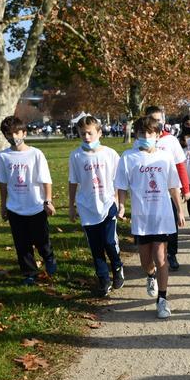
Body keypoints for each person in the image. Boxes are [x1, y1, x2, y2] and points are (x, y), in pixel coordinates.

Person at [116, 115, 186, 319]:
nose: (146, 136)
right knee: (146, 259)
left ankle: (162, 300)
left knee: (160, 256)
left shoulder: (165, 157)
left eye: (150, 133)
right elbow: (121, 185)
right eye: (141, 133)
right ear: (136, 135)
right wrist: (121, 205)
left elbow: (173, 185)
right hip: (141, 216)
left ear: (157, 135)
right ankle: (150, 275)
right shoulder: (128, 157)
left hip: (162, 215)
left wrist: (179, 210)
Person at [0, 116, 56, 285]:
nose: (13, 137)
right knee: (22, 244)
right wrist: (3, 205)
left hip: (36, 206)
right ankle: (30, 273)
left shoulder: (36, 154)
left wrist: (48, 201)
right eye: (9, 133)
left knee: (41, 240)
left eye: (16, 132)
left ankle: (49, 256)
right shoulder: (3, 156)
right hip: (15, 207)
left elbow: (46, 180)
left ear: (24, 133)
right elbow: (3, 182)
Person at [68, 115, 124, 297]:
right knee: (95, 246)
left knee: (109, 241)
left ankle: (117, 267)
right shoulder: (76, 156)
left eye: (90, 133)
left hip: (108, 203)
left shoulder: (110, 154)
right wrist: (71, 206)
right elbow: (73, 181)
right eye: (83, 133)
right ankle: (103, 279)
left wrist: (118, 201)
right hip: (87, 206)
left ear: (99, 132)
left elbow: (119, 180)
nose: (86, 137)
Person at [146, 106, 189, 271]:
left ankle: (171, 253)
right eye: (153, 119)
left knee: (172, 224)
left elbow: (180, 165)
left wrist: (185, 188)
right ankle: (153, 257)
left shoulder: (170, 140)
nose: (157, 122)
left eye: (159, 119)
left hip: (169, 191)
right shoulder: (142, 140)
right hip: (149, 193)